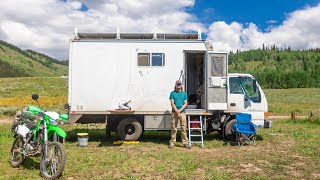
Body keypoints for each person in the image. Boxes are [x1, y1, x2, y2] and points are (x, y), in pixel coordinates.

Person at [168, 80, 191, 149]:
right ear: (175, 85)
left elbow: (185, 104)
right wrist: (177, 112)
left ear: (181, 85)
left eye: (179, 84)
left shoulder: (184, 93)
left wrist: (180, 111)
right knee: (173, 128)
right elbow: (172, 103)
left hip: (182, 113)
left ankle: (185, 142)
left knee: (183, 128)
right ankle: (172, 142)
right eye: (177, 84)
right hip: (175, 112)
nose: (178, 86)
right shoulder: (172, 93)